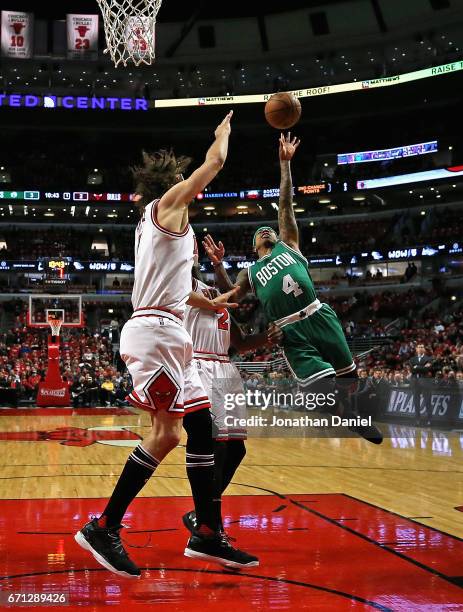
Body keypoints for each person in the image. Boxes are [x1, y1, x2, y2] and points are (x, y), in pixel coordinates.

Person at [75, 112, 259, 578]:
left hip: (171, 330)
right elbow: (212, 165)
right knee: (166, 434)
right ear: (173, 182)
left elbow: (184, 292)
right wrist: (222, 137)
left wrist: (223, 298)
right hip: (156, 333)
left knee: (199, 430)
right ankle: (104, 526)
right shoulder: (166, 207)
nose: (188, 186)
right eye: (183, 180)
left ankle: (207, 534)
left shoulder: (169, 230)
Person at [205, 132, 382, 443]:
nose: (265, 231)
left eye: (267, 229)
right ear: (254, 247)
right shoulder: (251, 272)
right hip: (290, 332)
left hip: (318, 315)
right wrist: (218, 267)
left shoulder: (289, 245)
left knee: (349, 376)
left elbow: (285, 205)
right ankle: (346, 414)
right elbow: (231, 295)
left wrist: (285, 164)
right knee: (319, 386)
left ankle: (350, 409)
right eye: (259, 233)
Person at [182, 255, 282, 536]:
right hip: (200, 367)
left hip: (227, 371)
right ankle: (210, 522)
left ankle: (200, 514)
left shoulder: (217, 295)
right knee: (218, 446)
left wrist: (268, 337)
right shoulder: (181, 289)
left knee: (236, 449)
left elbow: (242, 343)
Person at [409, 342, 433, 425]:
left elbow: (427, 369)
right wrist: (422, 367)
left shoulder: (429, 358)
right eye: (418, 347)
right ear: (416, 349)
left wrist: (417, 367)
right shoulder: (412, 359)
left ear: (424, 349)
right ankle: (417, 420)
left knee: (427, 401)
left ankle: (429, 419)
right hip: (415, 382)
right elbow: (412, 370)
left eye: (422, 347)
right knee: (416, 402)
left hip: (425, 382)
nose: (420, 348)